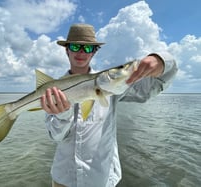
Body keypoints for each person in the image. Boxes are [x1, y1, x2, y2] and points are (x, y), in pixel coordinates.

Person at [40, 24, 178, 187]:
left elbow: (150, 89)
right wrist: (62, 115)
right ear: (67, 50)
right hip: (63, 179)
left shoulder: (112, 85)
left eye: (88, 48)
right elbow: (56, 137)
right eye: (76, 46)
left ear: (94, 52)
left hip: (101, 180)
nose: (82, 52)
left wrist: (162, 60)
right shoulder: (53, 90)